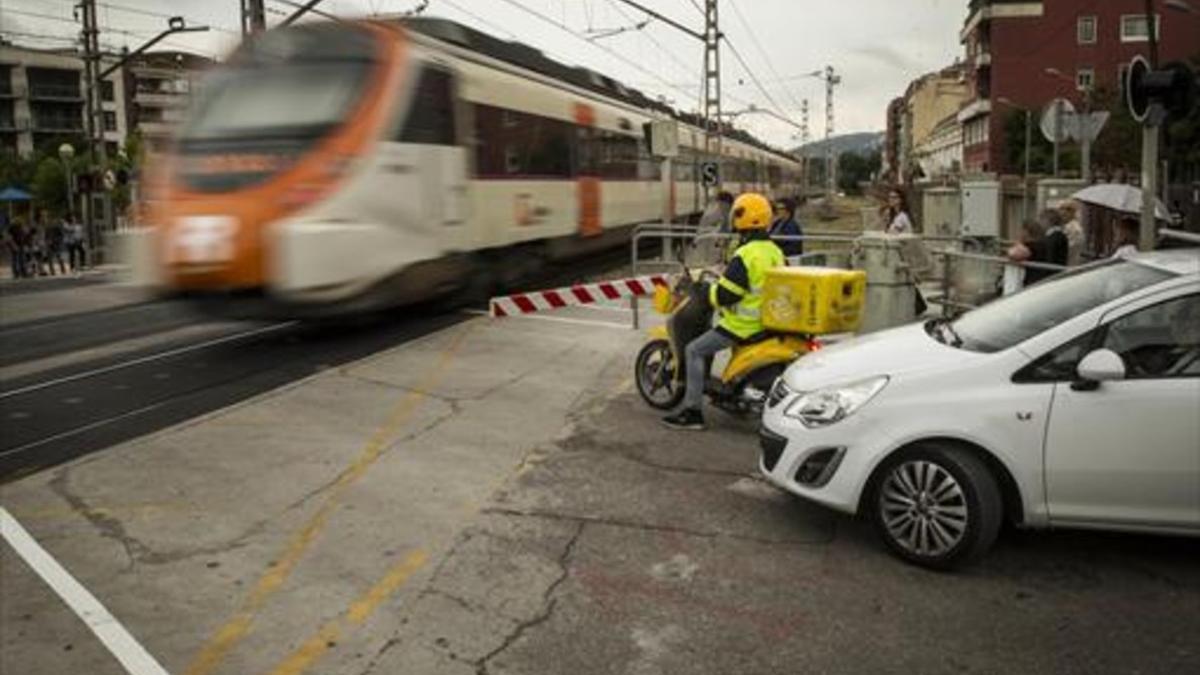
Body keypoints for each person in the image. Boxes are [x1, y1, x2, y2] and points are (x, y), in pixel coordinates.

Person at [663, 192, 785, 431]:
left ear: (742, 218)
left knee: (694, 350)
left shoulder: (745, 254)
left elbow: (726, 296)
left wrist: (705, 291)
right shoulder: (775, 251)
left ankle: (692, 412)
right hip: (768, 321)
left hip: (743, 325)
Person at [1058, 200, 1085, 267]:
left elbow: (1068, 249)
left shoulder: (1074, 229)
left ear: (1074, 212)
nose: (1063, 212)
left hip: (1069, 265)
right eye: (1061, 209)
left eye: (1068, 209)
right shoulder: (1063, 227)